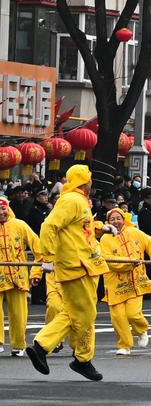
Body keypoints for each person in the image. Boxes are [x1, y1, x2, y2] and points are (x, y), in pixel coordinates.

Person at [25, 163, 109, 381]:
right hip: (76, 266)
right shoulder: (72, 200)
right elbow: (49, 226)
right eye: (89, 178)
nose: (91, 182)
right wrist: (47, 257)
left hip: (85, 265)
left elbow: (80, 229)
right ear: (84, 181)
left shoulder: (79, 200)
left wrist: (101, 228)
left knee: (76, 313)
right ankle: (77, 357)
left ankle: (50, 349)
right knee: (83, 314)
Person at [99, 207, 151, 355]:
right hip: (115, 284)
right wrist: (129, 263)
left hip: (136, 281)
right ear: (108, 222)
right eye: (112, 219)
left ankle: (141, 330)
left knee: (133, 314)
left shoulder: (134, 232)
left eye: (118, 218)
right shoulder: (104, 239)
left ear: (123, 219)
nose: (116, 221)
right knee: (118, 318)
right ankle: (124, 345)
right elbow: (109, 261)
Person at [0, 197, 40, 357]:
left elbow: (38, 247)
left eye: (3, 208)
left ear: (8, 209)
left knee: (19, 314)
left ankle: (18, 345)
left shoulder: (20, 225)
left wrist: (36, 272)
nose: (1, 212)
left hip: (17, 277)